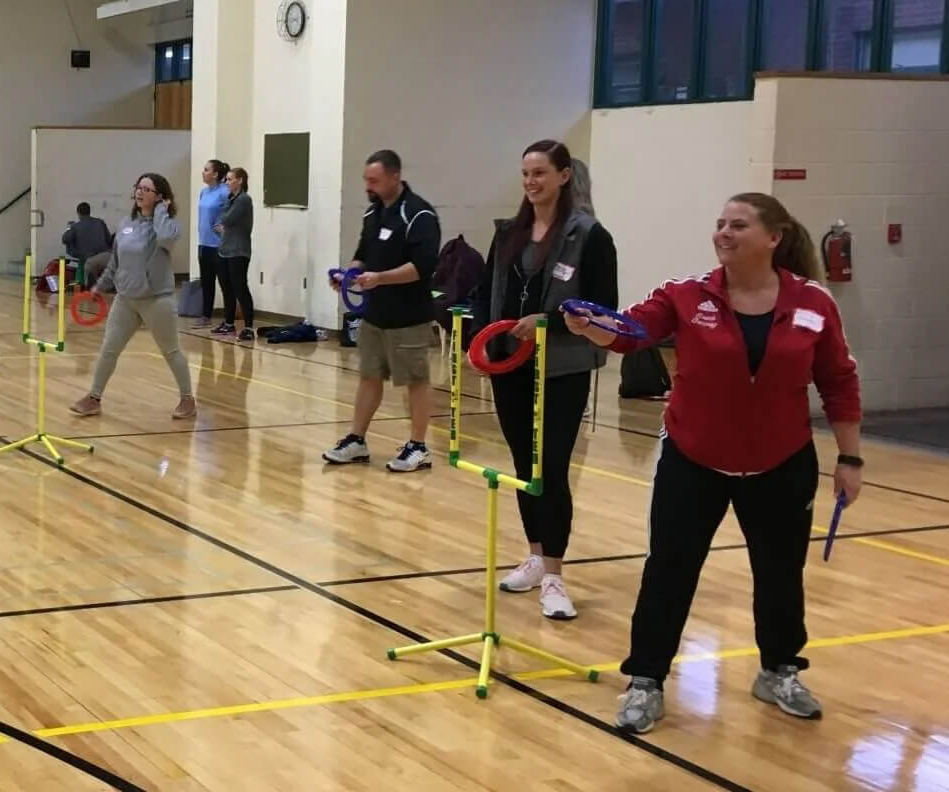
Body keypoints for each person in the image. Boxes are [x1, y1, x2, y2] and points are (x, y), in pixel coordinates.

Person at [563, 192, 862, 734]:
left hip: (781, 461)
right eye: (720, 224)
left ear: (773, 237)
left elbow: (839, 380)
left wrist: (850, 456)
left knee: (779, 576)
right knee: (669, 572)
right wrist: (591, 327)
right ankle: (646, 681)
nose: (724, 233)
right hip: (693, 459)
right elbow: (630, 334)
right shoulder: (685, 295)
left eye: (738, 225)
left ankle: (778, 670)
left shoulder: (814, 304)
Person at [470, 139, 618, 621]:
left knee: (551, 467)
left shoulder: (590, 236)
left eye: (540, 173)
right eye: (526, 175)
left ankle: (555, 574)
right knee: (523, 464)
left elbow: (602, 310)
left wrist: (548, 322)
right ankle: (535, 554)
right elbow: (487, 290)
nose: (532, 183)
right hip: (511, 365)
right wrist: (481, 345)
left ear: (563, 176)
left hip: (562, 368)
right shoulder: (508, 232)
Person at [323, 149, 441, 473]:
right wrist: (349, 276)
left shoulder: (419, 216)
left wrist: (381, 279)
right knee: (369, 376)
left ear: (394, 177)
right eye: (366, 180)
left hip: (409, 317)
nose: (368, 185)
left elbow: (423, 266)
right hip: (375, 315)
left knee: (415, 380)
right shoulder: (372, 214)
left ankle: (418, 446)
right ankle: (356, 439)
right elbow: (362, 254)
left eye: (374, 180)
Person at [69, 172, 196, 419]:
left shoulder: (168, 225)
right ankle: (94, 397)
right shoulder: (126, 223)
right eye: (138, 187)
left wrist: (161, 211)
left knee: (171, 351)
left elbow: (166, 239)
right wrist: (99, 287)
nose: (140, 192)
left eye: (147, 189)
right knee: (109, 348)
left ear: (160, 197)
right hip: (125, 299)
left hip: (157, 299)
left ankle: (188, 399)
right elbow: (116, 261)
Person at [212, 166, 255, 341]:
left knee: (240, 287)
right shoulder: (231, 198)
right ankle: (228, 323)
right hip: (225, 249)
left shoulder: (244, 199)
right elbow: (224, 219)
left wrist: (224, 221)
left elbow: (227, 218)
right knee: (226, 287)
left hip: (238, 250)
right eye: (227, 179)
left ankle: (249, 327)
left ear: (240, 181)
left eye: (230, 179)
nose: (227, 183)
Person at [195, 159, 231, 328]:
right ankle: (205, 315)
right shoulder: (203, 192)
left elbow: (235, 209)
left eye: (206, 169)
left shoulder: (224, 191)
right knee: (206, 281)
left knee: (224, 282)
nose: (203, 172)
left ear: (215, 174)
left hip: (218, 244)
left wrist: (226, 226)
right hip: (203, 243)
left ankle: (228, 318)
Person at [62, 202, 113, 287]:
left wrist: (69, 228)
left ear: (78, 213)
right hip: (105, 257)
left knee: (82, 260)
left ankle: (83, 284)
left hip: (87, 258)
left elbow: (64, 240)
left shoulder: (75, 226)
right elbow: (109, 239)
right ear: (89, 211)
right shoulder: (100, 222)